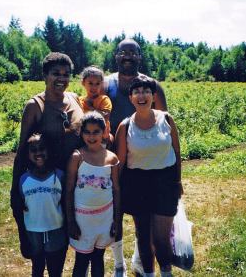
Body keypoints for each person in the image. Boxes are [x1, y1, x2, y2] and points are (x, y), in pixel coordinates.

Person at [11, 52, 84, 264]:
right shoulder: (35, 106)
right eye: (55, 73)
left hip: (76, 182)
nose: (61, 78)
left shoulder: (74, 98)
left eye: (66, 74)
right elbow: (22, 150)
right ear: (44, 75)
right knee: (41, 245)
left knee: (67, 239)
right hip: (48, 184)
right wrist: (15, 191)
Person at [104, 38, 168, 276]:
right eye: (123, 52)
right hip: (113, 161)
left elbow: (164, 122)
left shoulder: (152, 85)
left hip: (144, 164)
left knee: (145, 220)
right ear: (116, 56)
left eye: (133, 52)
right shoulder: (105, 83)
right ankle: (118, 264)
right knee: (115, 214)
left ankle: (140, 261)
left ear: (140, 57)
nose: (128, 56)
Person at [115, 77, 183, 277]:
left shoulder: (167, 119)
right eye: (137, 92)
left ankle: (166, 273)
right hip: (137, 184)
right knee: (143, 237)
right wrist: (115, 190)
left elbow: (177, 153)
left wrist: (177, 180)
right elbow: (120, 162)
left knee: (161, 239)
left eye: (146, 91)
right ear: (131, 98)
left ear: (153, 96)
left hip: (164, 183)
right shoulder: (125, 126)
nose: (141, 95)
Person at [66, 112, 121, 277]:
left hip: (104, 218)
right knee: (81, 261)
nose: (91, 136)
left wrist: (116, 221)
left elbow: (116, 190)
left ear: (104, 132)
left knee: (98, 258)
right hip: (82, 220)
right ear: (81, 133)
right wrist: (71, 222)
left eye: (96, 131)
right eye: (87, 132)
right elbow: (69, 191)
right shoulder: (77, 157)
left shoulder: (112, 159)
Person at [19, 133, 67, 277]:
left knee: (55, 270)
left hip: (56, 229)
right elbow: (22, 204)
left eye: (42, 148)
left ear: (49, 150)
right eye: (33, 150)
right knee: (37, 267)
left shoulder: (59, 176)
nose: (38, 153)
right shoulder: (24, 179)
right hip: (33, 231)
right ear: (27, 154)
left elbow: (65, 202)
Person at [79, 66, 113, 147]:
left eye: (97, 83)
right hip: (83, 138)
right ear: (83, 83)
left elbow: (105, 117)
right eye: (90, 83)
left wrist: (91, 107)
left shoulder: (104, 99)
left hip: (101, 139)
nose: (94, 87)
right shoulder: (79, 100)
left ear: (101, 84)